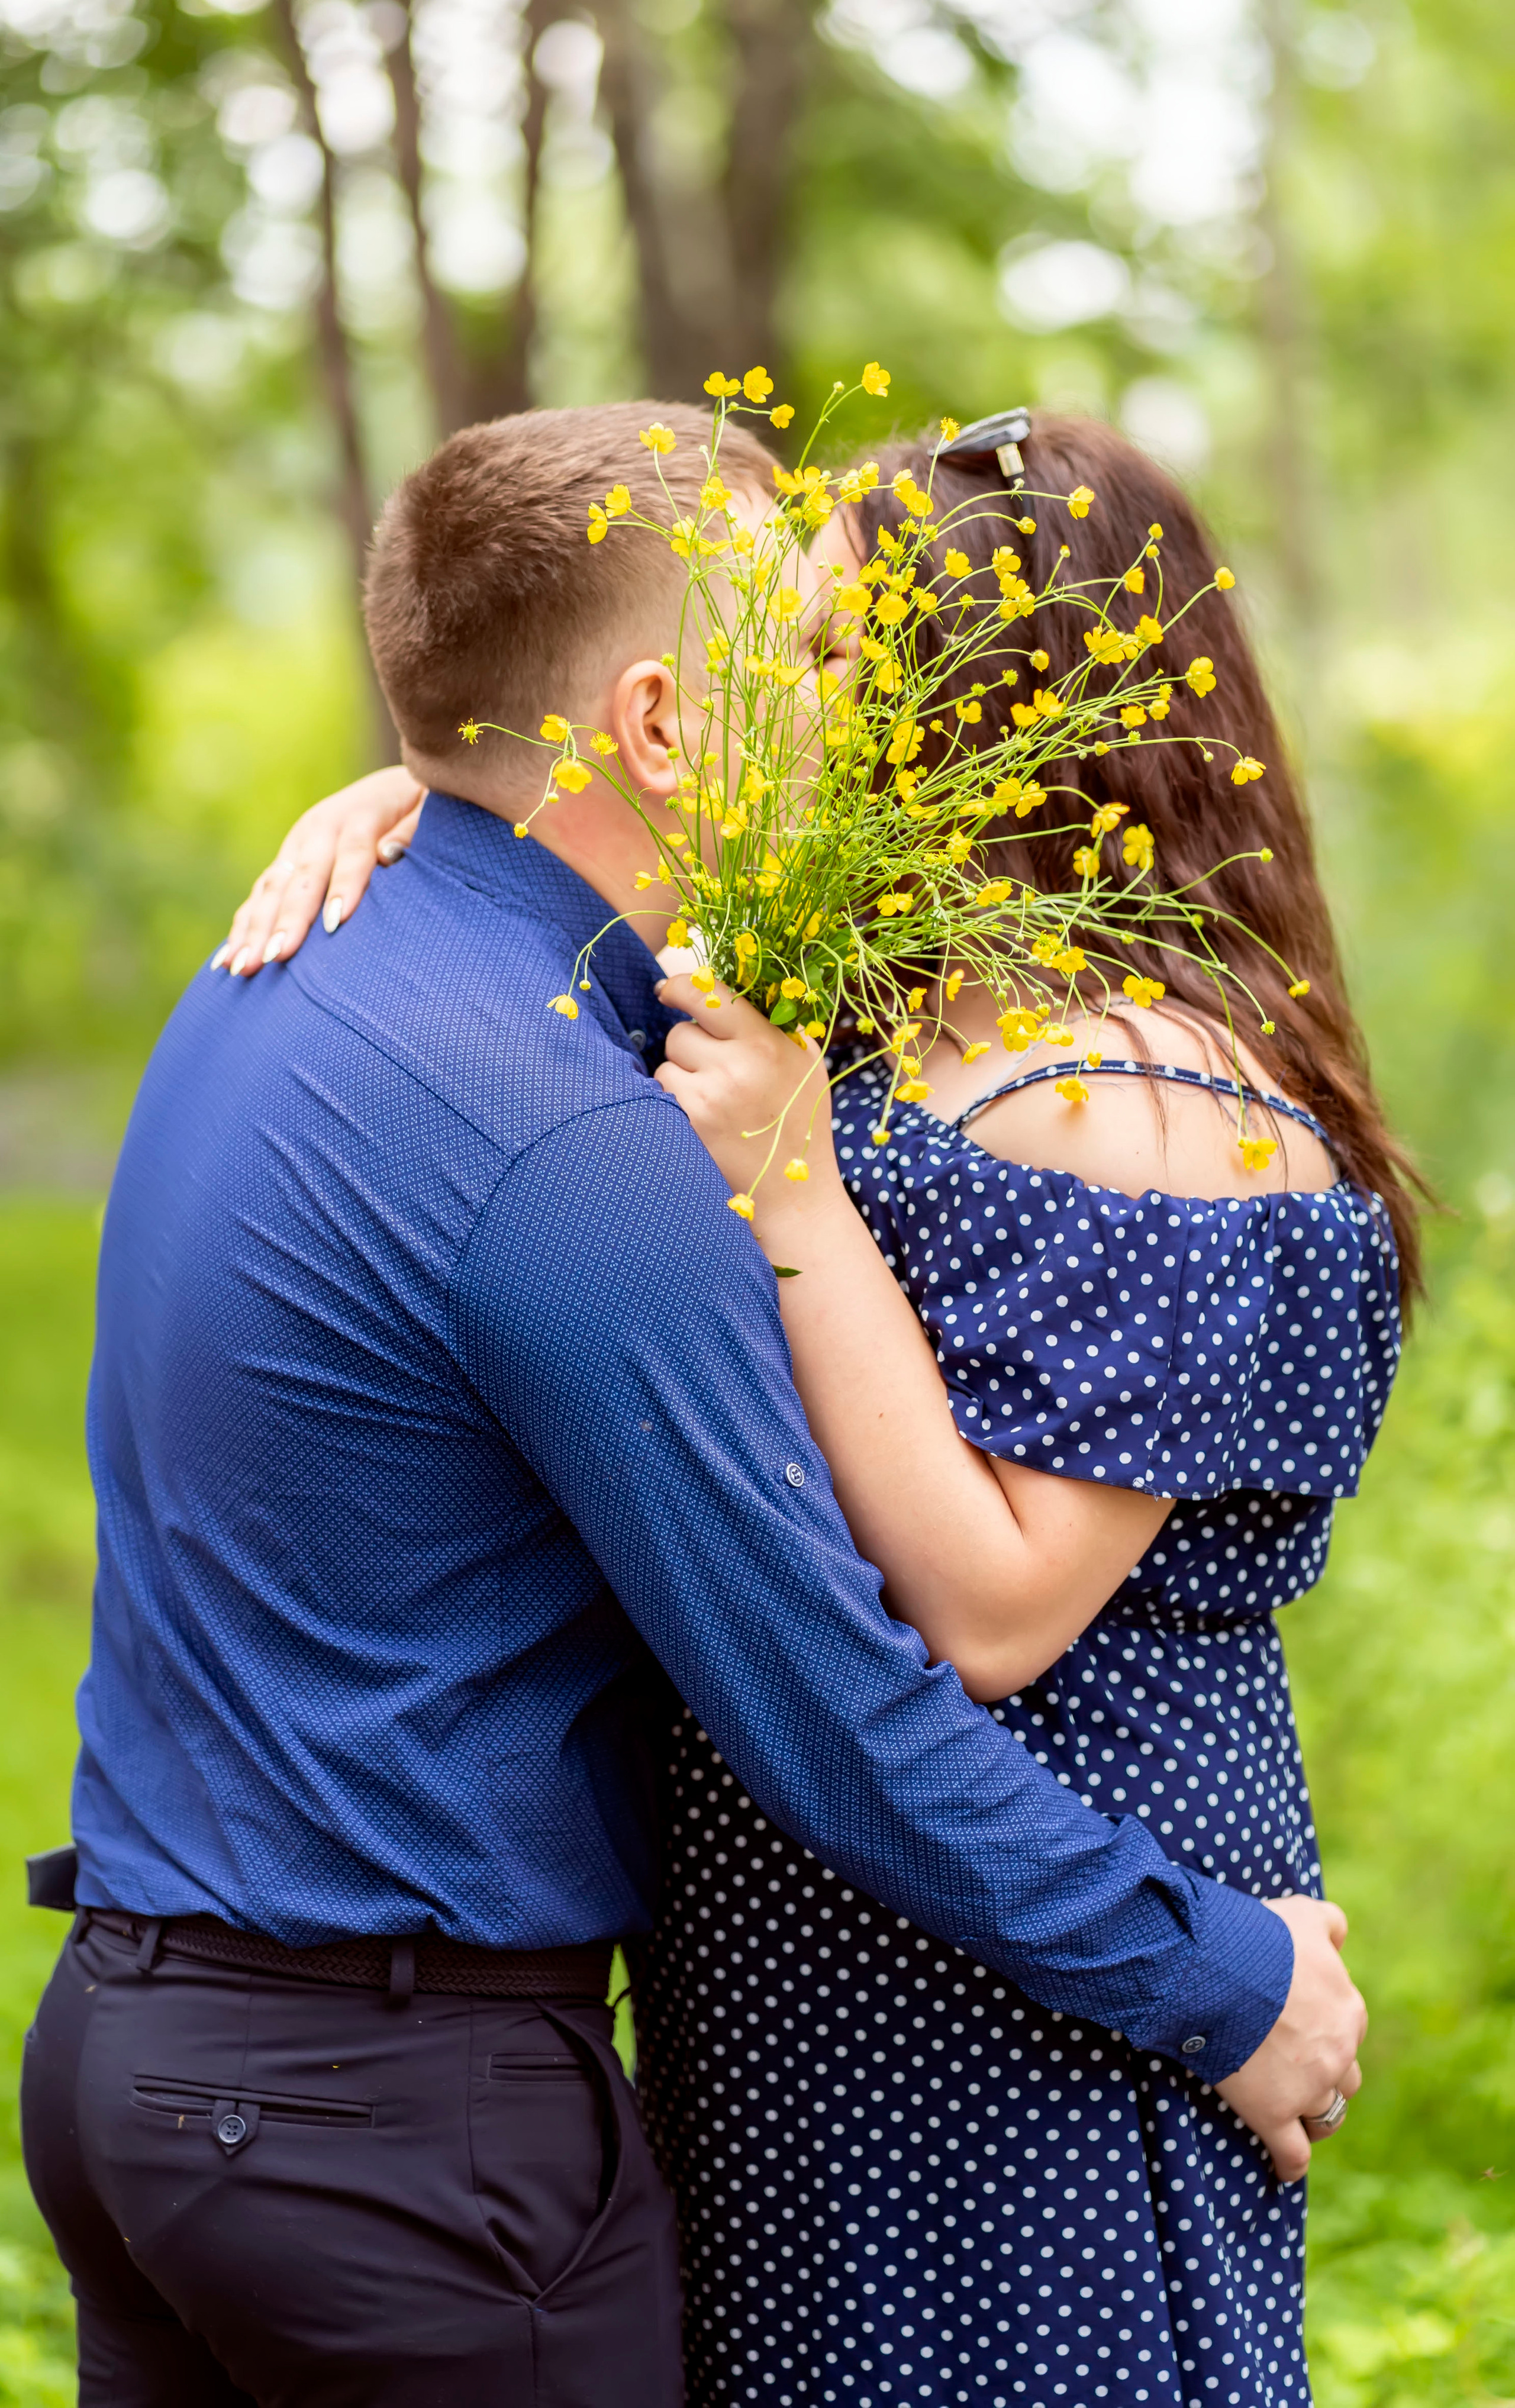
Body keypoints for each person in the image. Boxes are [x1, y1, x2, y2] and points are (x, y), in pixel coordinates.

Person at [221, 404, 1410, 2408]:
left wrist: (789, 1184)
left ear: (1001, 701)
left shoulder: (1165, 1098)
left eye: (832, 654)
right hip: (805, 1944)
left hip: (1058, 1952)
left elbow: (996, 1611)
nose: (781, 693)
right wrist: (416, 799)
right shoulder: (856, 986)